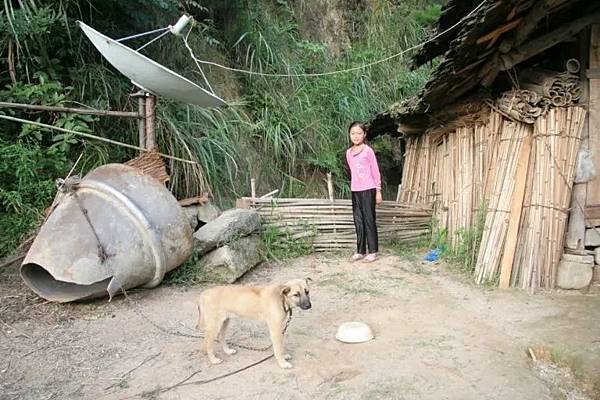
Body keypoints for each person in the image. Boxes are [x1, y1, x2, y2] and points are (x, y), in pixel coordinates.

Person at [345, 121, 382, 263]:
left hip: (369, 189)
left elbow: (375, 171)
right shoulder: (348, 153)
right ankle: (360, 251)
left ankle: (372, 251)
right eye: (353, 133)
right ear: (349, 135)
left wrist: (378, 190)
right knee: (358, 220)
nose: (356, 136)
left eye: (359, 133)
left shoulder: (368, 151)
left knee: (369, 219)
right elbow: (352, 172)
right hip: (356, 190)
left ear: (364, 134)